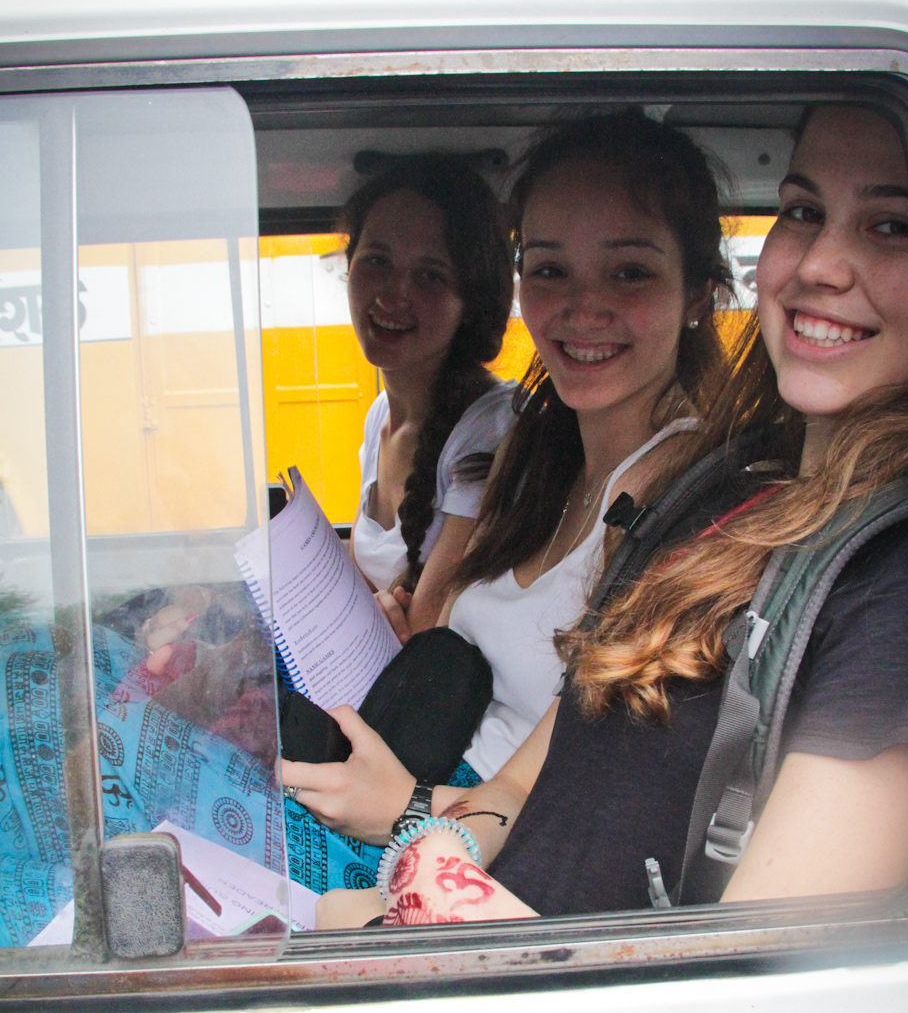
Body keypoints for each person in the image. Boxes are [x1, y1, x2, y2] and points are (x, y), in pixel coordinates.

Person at [318, 102, 908, 928]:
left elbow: (764, 975)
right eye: (802, 211)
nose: (821, 263)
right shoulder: (712, 501)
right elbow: (522, 785)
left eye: (891, 226)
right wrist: (434, 850)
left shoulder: (901, 578)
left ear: (700, 292)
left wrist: (421, 876)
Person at [283, 110, 735, 858]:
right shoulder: (535, 448)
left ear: (697, 294)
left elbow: (580, 803)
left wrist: (403, 812)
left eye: (629, 271)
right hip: (417, 778)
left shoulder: (684, 508)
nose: (582, 306)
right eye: (551, 269)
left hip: (468, 843)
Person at [343, 155, 517, 631]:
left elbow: (421, 633)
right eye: (377, 261)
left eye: (430, 275)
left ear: (472, 300)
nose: (391, 295)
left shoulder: (490, 428)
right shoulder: (380, 414)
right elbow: (367, 587)